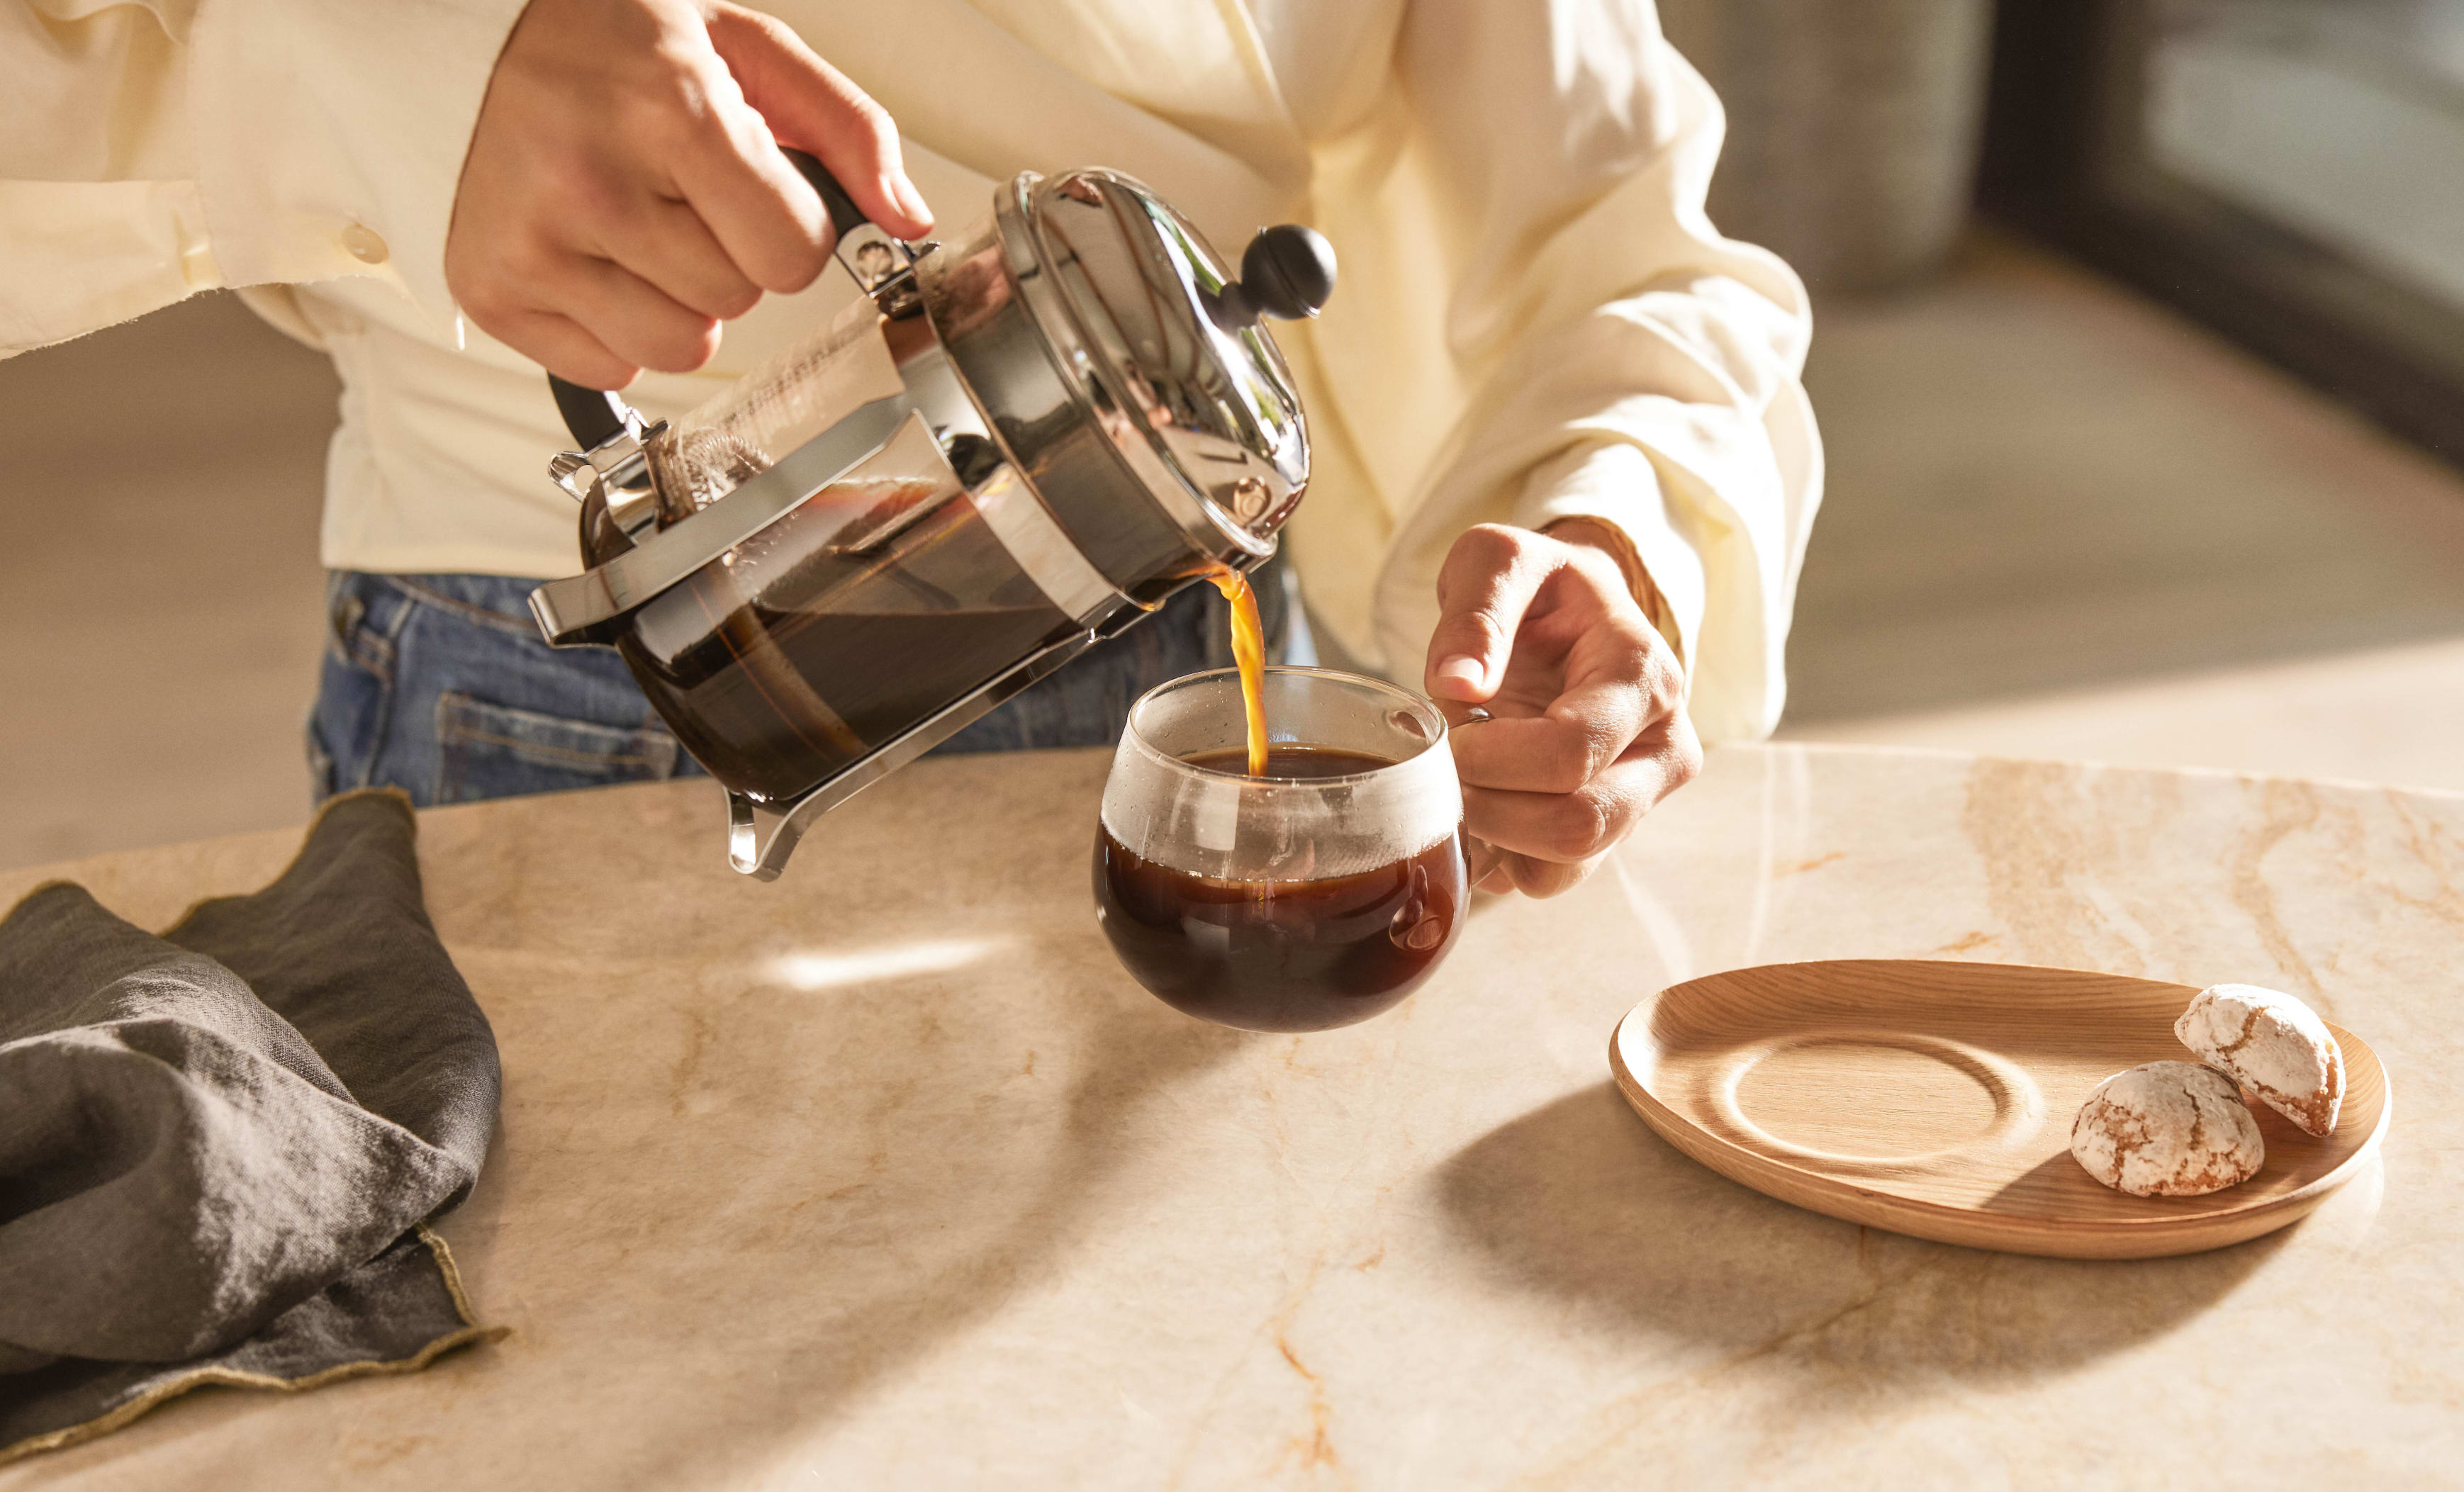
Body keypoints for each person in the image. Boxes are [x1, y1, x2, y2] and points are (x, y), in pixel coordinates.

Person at [4, 0, 1818, 896]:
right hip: (601, 693)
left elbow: (1612, 214)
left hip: (1221, 667)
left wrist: (1604, 509)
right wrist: (411, 53)